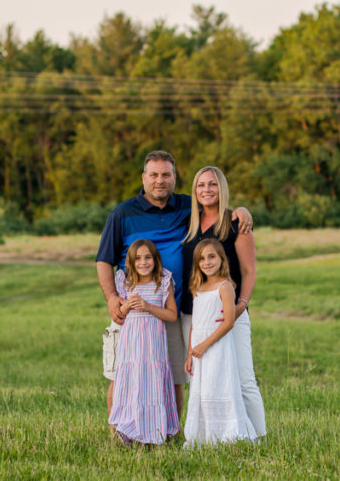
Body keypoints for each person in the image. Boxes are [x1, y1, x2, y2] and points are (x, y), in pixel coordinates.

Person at [95, 150, 252, 419]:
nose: (160, 180)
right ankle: (117, 432)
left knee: (174, 375)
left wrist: (241, 211)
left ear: (175, 178)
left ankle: (170, 431)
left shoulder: (186, 207)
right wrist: (112, 298)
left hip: (172, 309)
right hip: (131, 309)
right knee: (122, 372)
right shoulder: (122, 213)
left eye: (166, 175)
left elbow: (215, 205)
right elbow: (103, 261)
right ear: (143, 178)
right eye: (154, 175)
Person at [181, 165, 266, 437]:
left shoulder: (236, 223)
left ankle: (260, 436)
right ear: (194, 190)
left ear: (222, 189)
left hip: (233, 314)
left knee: (243, 379)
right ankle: (212, 434)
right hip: (199, 316)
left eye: (213, 184)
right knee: (206, 379)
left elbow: (249, 271)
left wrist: (242, 304)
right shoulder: (189, 224)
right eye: (201, 185)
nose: (207, 190)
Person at [182, 239, 258, 446]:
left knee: (218, 387)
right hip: (198, 348)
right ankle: (206, 435)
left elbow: (228, 323)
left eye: (212, 256)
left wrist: (205, 345)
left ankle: (228, 434)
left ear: (221, 259)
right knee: (202, 390)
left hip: (216, 347)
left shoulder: (225, 287)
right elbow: (194, 324)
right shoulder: (197, 287)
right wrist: (190, 352)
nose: (207, 262)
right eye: (202, 258)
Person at [107, 239, 179, 446]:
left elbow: (172, 315)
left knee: (152, 383)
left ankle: (154, 432)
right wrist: (127, 305)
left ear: (155, 260)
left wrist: (148, 307)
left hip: (153, 344)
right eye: (138, 258)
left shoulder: (163, 281)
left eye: (148, 257)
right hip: (131, 345)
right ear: (131, 262)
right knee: (132, 383)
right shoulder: (126, 282)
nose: (143, 262)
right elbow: (118, 315)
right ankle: (129, 428)